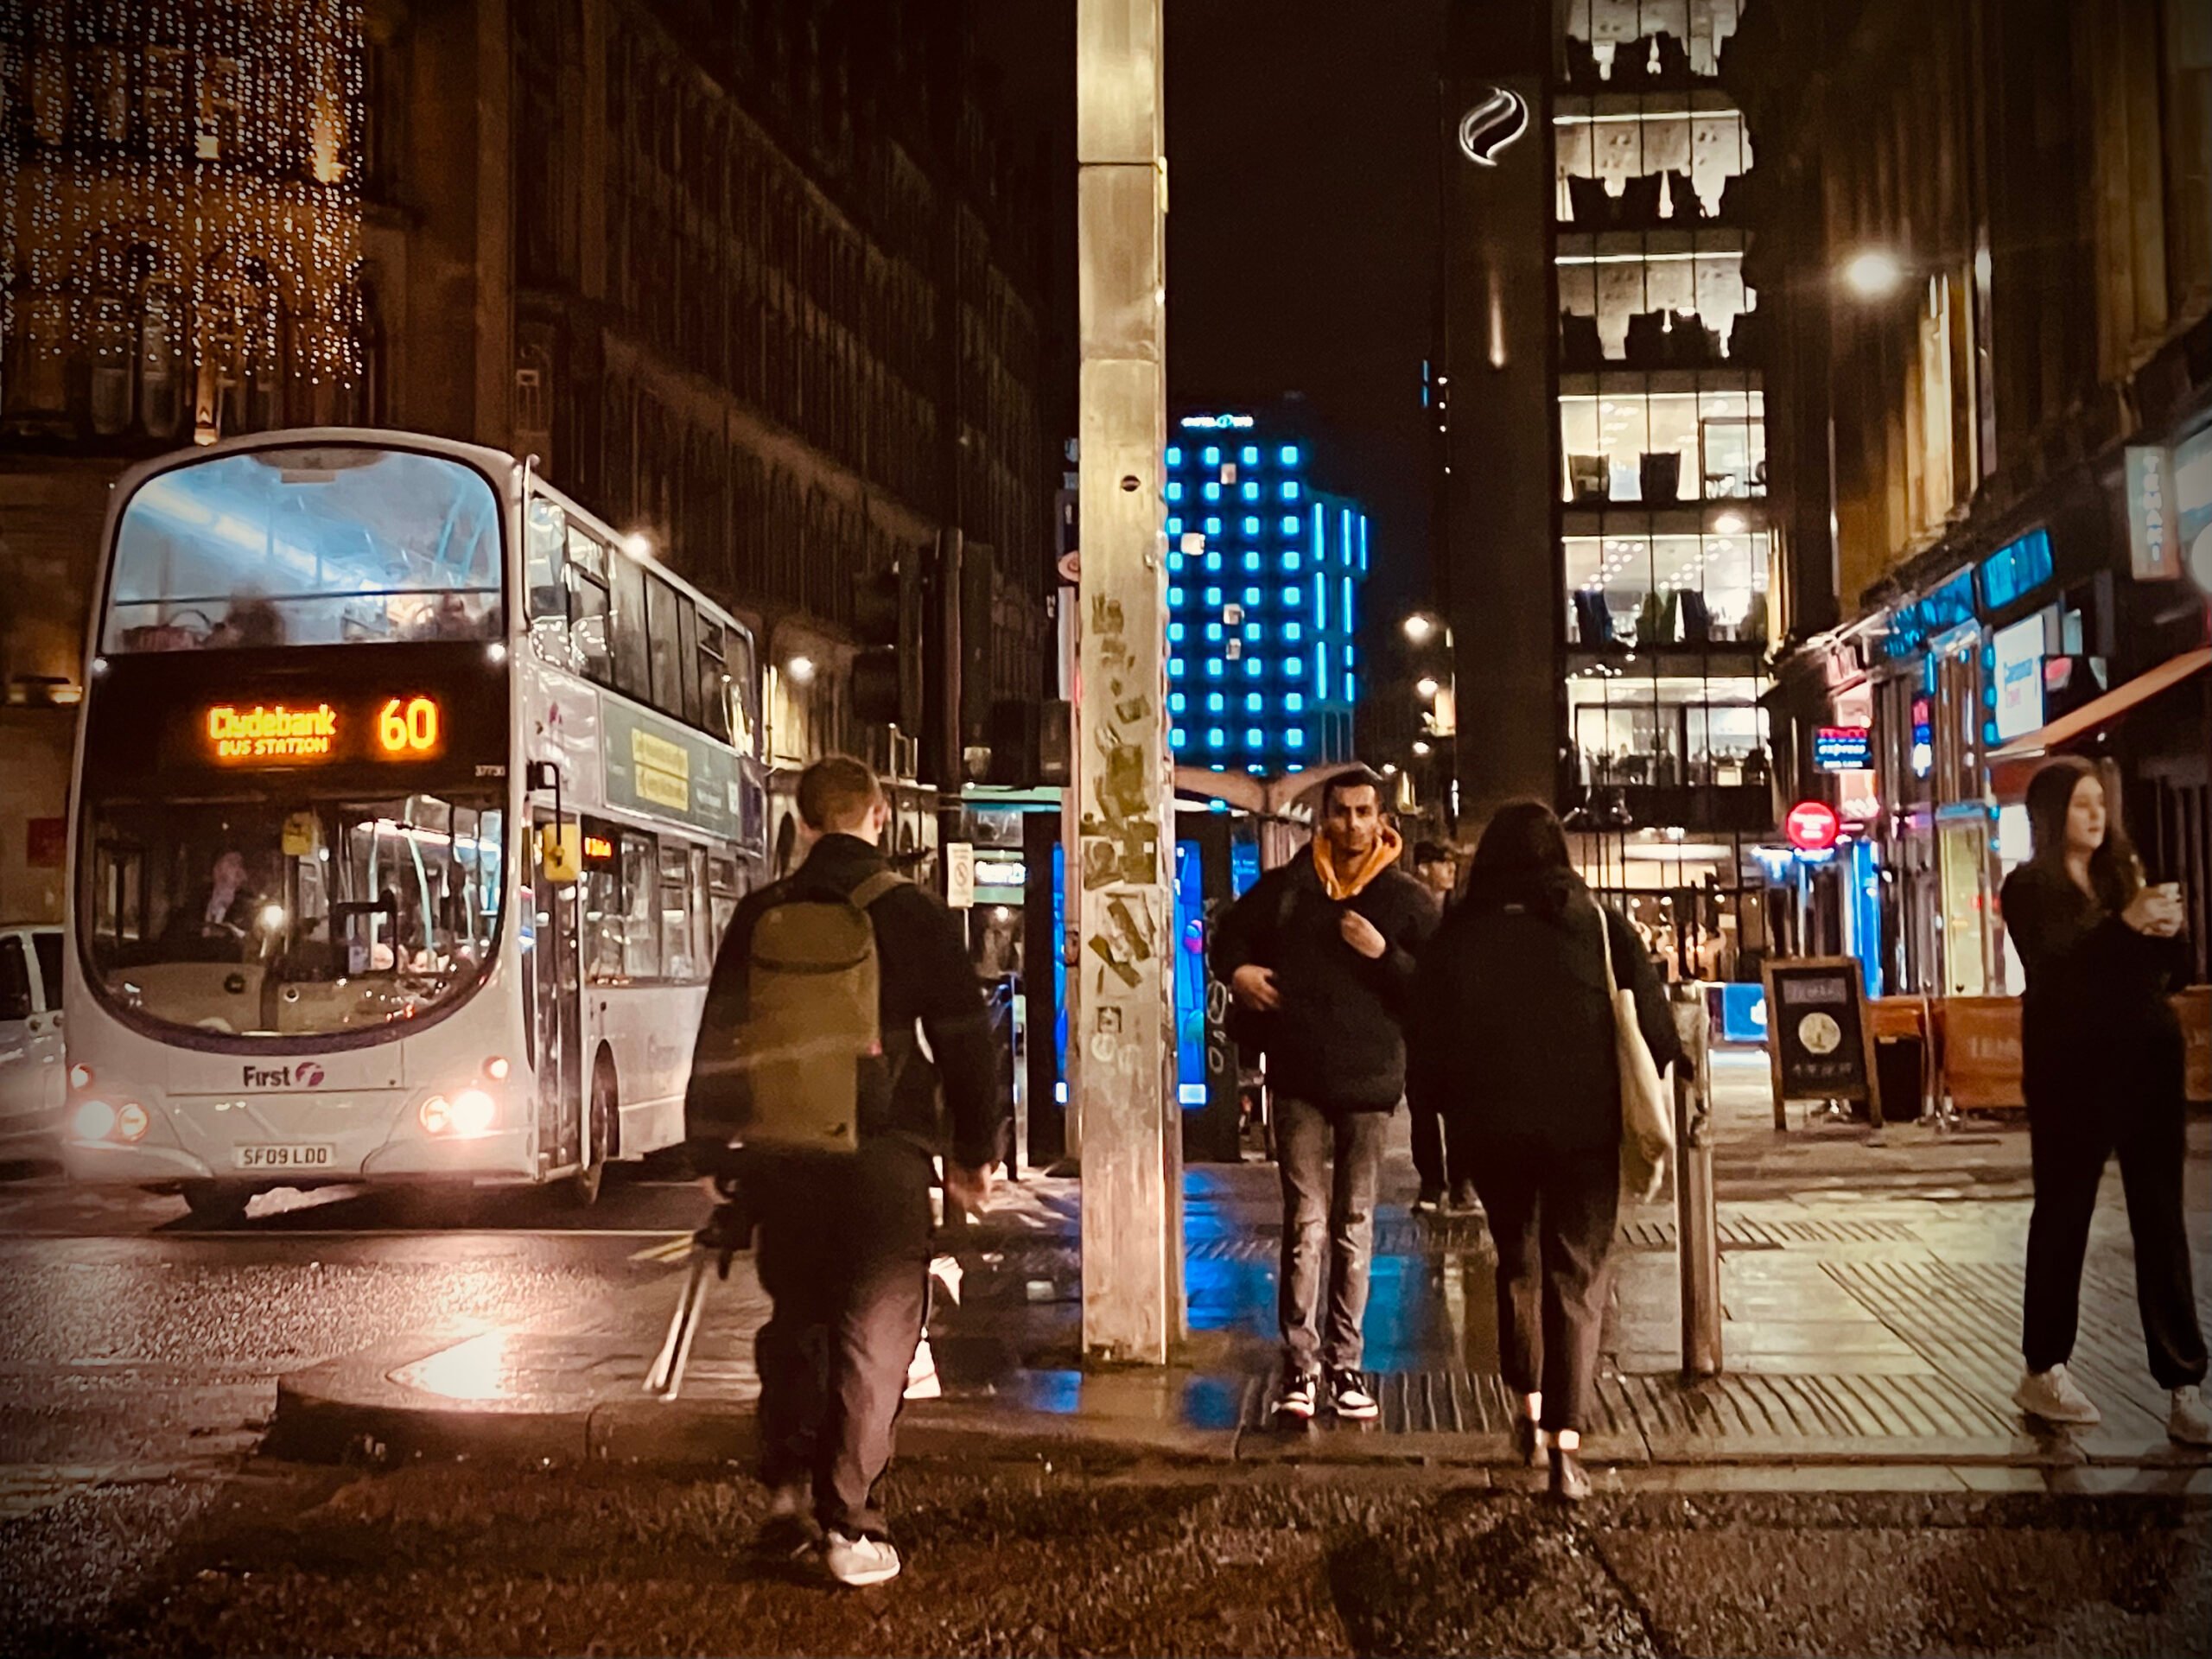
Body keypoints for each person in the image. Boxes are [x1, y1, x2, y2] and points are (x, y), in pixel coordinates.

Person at [685, 756, 1007, 1587]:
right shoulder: (914, 913)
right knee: (876, 1337)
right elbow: (967, 1042)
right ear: (877, 817)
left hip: (783, 1157)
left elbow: (721, 1036)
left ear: (803, 824)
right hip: (883, 1155)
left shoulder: (762, 912)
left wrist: (714, 1155)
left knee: (798, 1321)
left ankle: (787, 1496)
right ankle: (852, 1520)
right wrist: (975, 1152)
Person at [1411, 801, 1684, 1502]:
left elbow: (1428, 1039)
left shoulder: (1460, 932)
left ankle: (1526, 1413)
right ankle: (1567, 1446)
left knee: (1519, 1268)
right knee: (1576, 1278)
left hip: (1493, 1131)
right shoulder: (1597, 925)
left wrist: (1449, 1116)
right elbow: (1653, 1029)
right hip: (1582, 1131)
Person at [1211, 766, 1438, 1427]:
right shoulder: (1289, 889)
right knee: (1306, 1226)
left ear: (1383, 818)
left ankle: (1346, 1364)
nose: (1351, 825)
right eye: (1340, 812)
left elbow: (1433, 988)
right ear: (1322, 818)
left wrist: (1383, 954)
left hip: (1370, 1084)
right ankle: (1300, 1368)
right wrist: (1239, 972)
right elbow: (1227, 936)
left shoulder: (1406, 900)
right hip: (1299, 1078)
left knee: (1354, 1226)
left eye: (1364, 812)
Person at [1999, 757, 2209, 1446]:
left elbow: (2168, 976)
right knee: (2065, 1214)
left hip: (2147, 1065)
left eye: (2102, 803)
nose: (2097, 815)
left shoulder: (2125, 875)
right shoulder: (2029, 888)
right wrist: (2127, 926)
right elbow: (2060, 971)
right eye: (2083, 804)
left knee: (2161, 1222)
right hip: (2070, 1074)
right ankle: (2044, 1367)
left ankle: (2184, 1383)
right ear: (2055, 815)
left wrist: (2168, 930)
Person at [1407, 840, 1475, 1214]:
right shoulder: (1409, 907)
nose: (1451, 871)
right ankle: (1431, 1183)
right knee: (1422, 1109)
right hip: (1418, 1024)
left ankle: (1463, 1183)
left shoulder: (1462, 911)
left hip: (1457, 1025)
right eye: (1443, 864)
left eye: (1452, 865)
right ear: (1423, 868)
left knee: (1459, 1109)